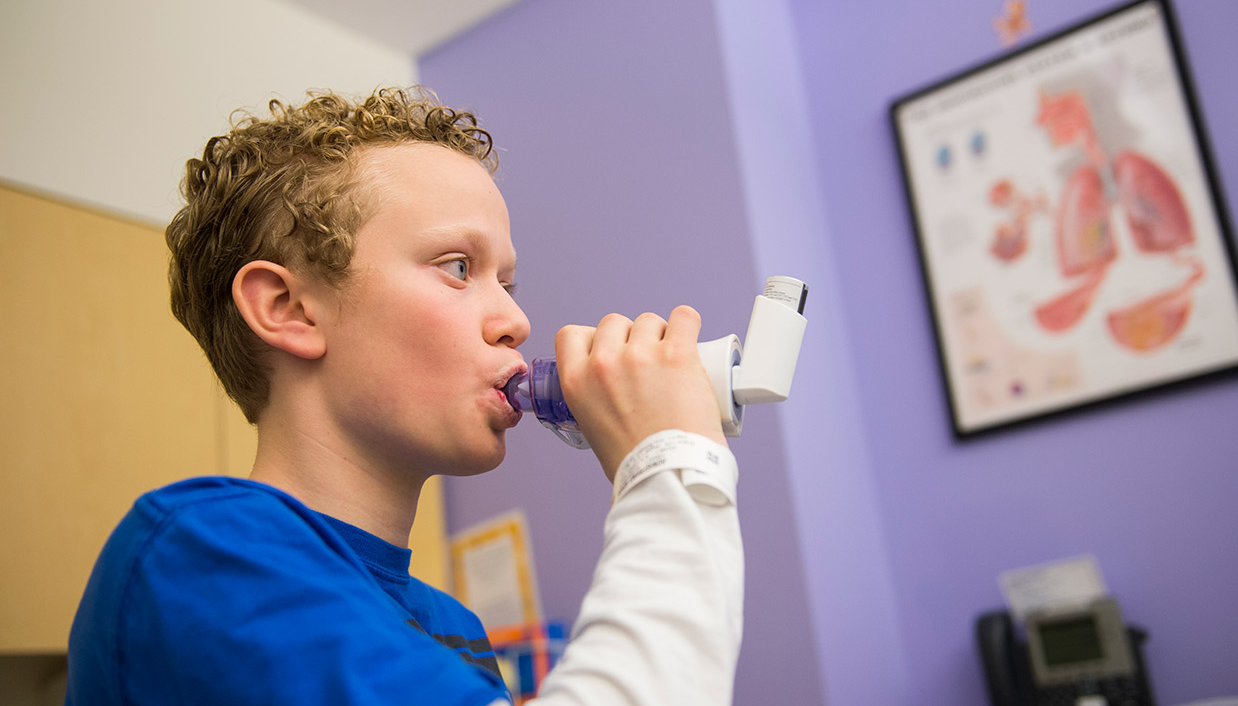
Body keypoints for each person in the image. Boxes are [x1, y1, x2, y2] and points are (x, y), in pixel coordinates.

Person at [65, 87, 743, 705]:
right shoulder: (201, 550)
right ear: (289, 309)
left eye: (505, 282)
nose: (516, 321)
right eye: (457, 267)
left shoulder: (451, 626)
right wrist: (671, 463)